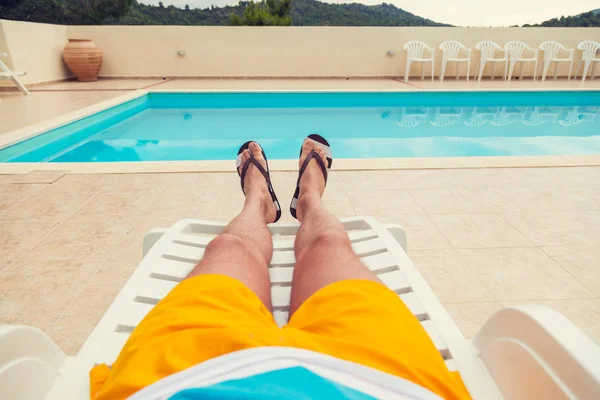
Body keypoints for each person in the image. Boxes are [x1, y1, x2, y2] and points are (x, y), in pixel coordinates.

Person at [90, 135, 470, 399]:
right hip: (388, 384)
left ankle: (258, 202)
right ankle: (310, 200)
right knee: (328, 244)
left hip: (177, 379)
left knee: (230, 246)